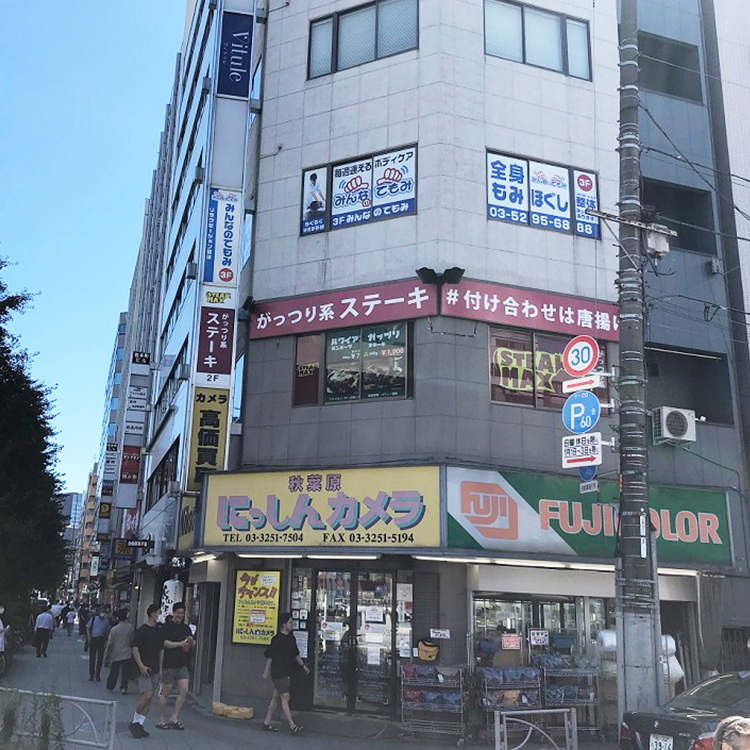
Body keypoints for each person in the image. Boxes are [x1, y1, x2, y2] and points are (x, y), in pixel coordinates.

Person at [261, 612, 309, 735]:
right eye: (290, 622)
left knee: (275, 697)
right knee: (285, 698)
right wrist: (266, 670)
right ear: (284, 625)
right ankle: (293, 727)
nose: (292, 624)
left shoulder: (291, 638)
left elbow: (295, 654)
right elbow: (270, 657)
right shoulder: (276, 639)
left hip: (286, 672)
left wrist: (303, 666)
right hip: (279, 672)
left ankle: (266, 723)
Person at [156, 602, 195, 731]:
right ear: (173, 612)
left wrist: (190, 643)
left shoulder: (186, 628)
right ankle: (160, 719)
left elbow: (190, 642)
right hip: (168, 664)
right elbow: (164, 644)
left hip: (182, 664)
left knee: (184, 690)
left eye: (182, 613)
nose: (180, 615)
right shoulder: (166, 627)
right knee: (165, 692)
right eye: (178, 612)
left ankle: (174, 717)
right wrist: (179, 644)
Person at [130, 604, 164, 739]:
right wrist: (141, 666)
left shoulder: (160, 631)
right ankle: (134, 721)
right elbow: (134, 648)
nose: (159, 615)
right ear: (152, 614)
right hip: (143, 668)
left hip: (155, 668)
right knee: (147, 695)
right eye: (158, 613)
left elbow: (162, 650)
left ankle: (139, 725)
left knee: (150, 700)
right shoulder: (142, 630)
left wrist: (161, 669)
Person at [104, 609, 134, 694]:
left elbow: (110, 644)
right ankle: (124, 687)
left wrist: (106, 656)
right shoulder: (130, 628)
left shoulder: (114, 629)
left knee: (114, 670)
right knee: (125, 672)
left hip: (116, 653)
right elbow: (132, 641)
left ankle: (110, 685)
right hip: (127, 653)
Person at [86, 607, 111, 681]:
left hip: (101, 640)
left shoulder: (106, 621)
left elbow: (108, 630)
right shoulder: (94, 619)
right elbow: (87, 627)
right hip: (93, 639)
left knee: (100, 658)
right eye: (101, 612)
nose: (103, 614)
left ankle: (97, 675)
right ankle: (91, 675)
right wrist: (89, 637)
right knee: (92, 658)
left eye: (104, 612)